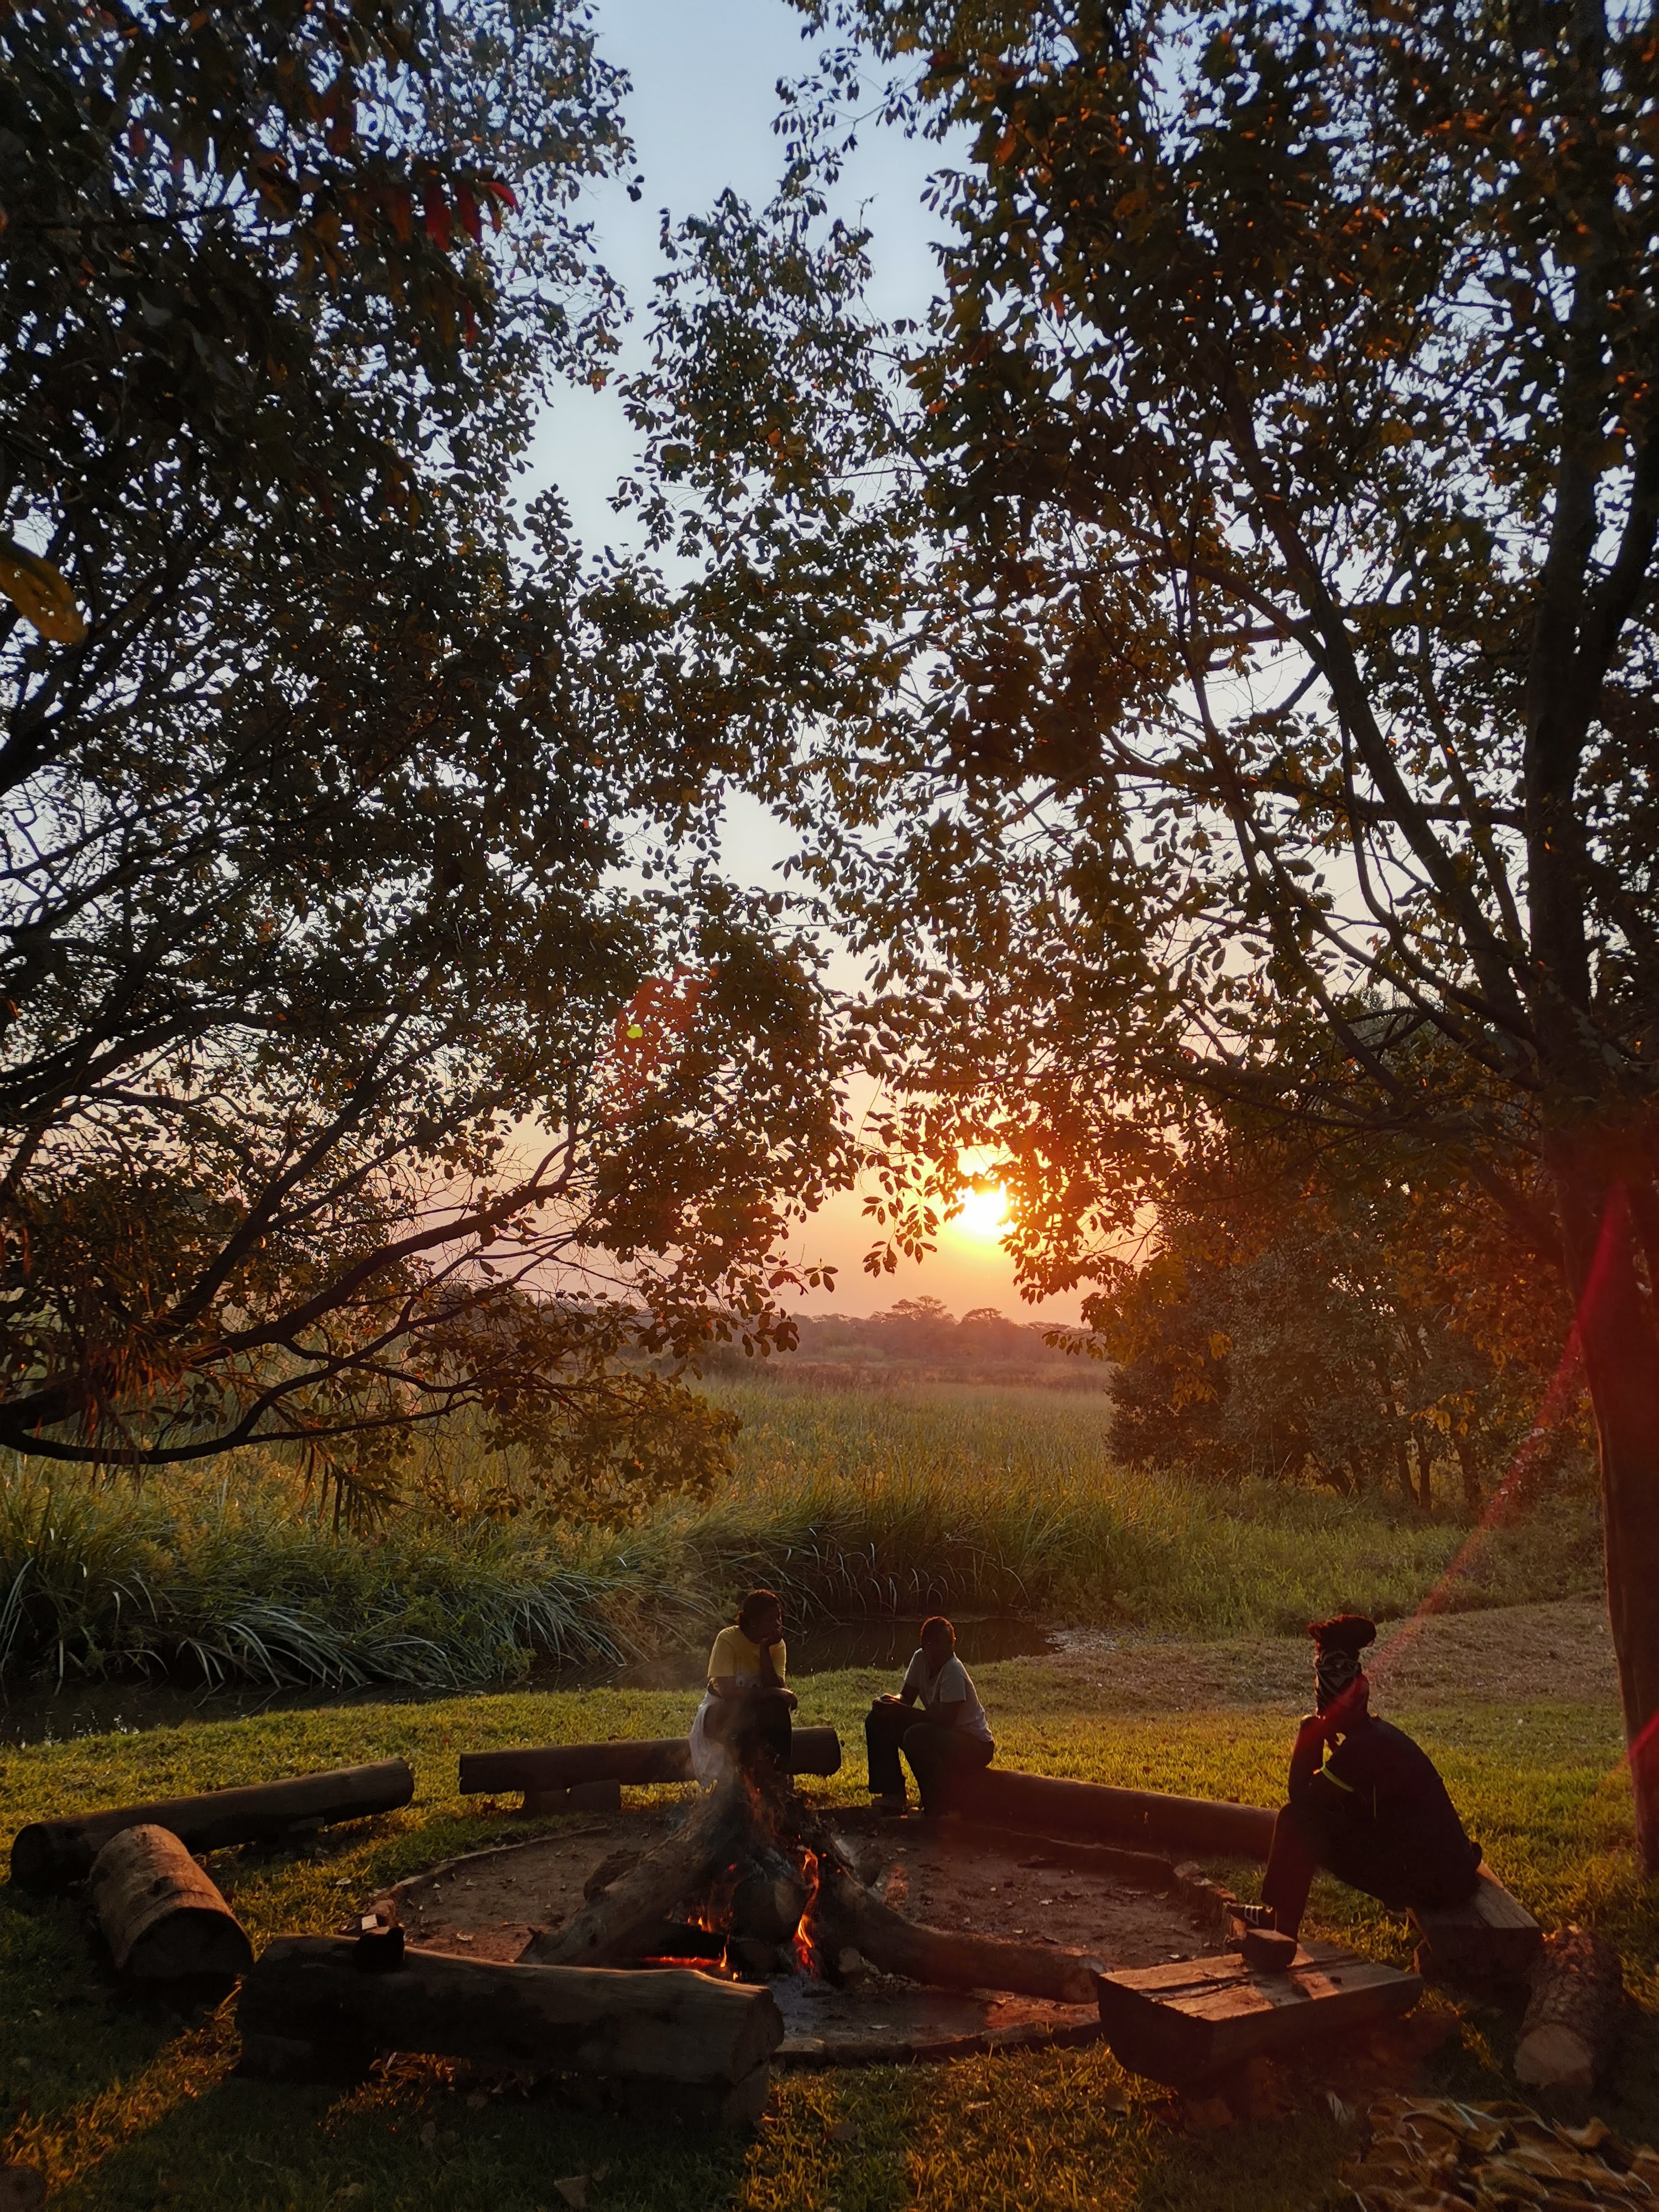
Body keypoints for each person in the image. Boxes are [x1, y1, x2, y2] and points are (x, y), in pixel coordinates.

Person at [1238, 1613, 1483, 1940]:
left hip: (1434, 1884)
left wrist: (1308, 1730)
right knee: (1314, 1816)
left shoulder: (1361, 1749)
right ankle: (1276, 1918)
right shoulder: (1375, 1735)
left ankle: (1281, 1936)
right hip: (1448, 1873)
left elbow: (1301, 1797)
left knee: (1296, 1821)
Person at [865, 1615, 995, 1815]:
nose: (949, 1649)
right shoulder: (920, 1659)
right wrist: (892, 1702)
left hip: (975, 1745)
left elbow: (945, 1720)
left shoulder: (953, 1671)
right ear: (927, 1646)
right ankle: (893, 1795)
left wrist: (901, 1710)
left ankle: (938, 1805)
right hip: (947, 1735)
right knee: (877, 1720)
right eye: (942, 1644)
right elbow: (907, 1696)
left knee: (917, 1737)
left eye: (950, 1643)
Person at [688, 1588, 797, 1783]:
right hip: (720, 1711)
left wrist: (764, 1649)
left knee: (778, 1710)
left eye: (778, 1618)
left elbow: (776, 1687)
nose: (777, 1625)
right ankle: (742, 1781)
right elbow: (729, 1694)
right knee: (745, 1716)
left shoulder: (776, 1645)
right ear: (753, 1621)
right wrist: (773, 1692)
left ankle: (780, 1774)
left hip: (756, 1712)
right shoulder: (727, 1639)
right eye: (770, 1620)